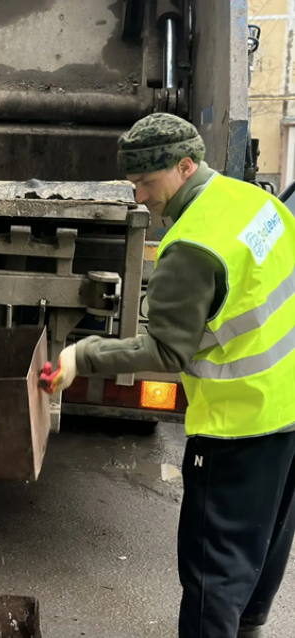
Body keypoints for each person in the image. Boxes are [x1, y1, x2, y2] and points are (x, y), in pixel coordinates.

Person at [42, 113, 295, 638]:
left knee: (212, 575)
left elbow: (166, 351)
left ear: (185, 167)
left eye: (147, 183)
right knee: (264, 545)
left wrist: (81, 357)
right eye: (133, 184)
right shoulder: (258, 204)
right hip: (287, 410)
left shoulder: (191, 247)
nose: (139, 197)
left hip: (237, 426)